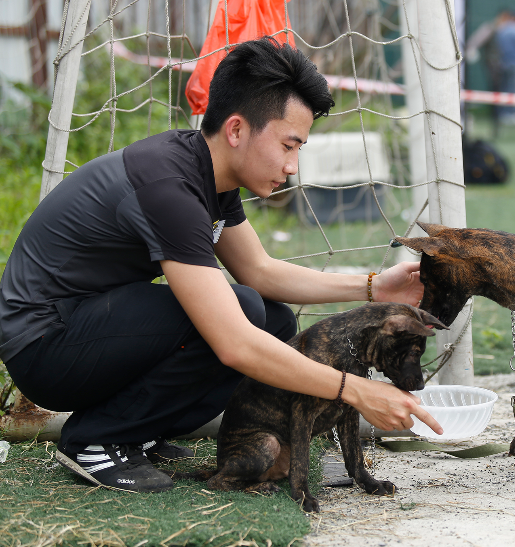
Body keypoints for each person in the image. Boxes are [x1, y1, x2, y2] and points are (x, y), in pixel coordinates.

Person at [0, 36, 442, 493]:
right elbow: (233, 344)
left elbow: (260, 271)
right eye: (289, 145)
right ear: (236, 130)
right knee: (244, 318)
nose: (293, 166)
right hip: (44, 347)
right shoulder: (168, 188)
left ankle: (137, 429)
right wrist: (355, 389)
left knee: (272, 319)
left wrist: (375, 287)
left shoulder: (208, 173)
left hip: (87, 328)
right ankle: (97, 439)